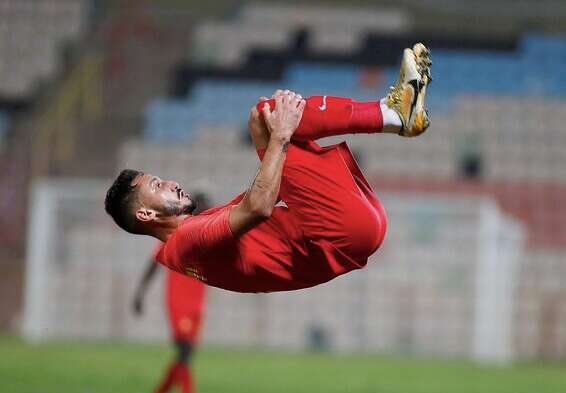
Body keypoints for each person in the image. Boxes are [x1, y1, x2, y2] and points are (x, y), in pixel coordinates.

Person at [105, 43, 432, 293]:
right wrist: (282, 135)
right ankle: (393, 114)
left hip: (354, 232)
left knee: (264, 118)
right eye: (158, 186)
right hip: (341, 234)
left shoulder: (186, 244)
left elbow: (261, 195)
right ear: (146, 215)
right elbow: (260, 206)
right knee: (270, 114)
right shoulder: (189, 238)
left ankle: (394, 113)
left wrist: (278, 136)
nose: (171, 183)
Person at [132, 192, 212, 393]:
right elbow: (154, 263)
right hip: (178, 303)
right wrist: (140, 293)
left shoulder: (208, 235)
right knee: (185, 353)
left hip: (197, 305)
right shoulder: (176, 231)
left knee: (184, 356)